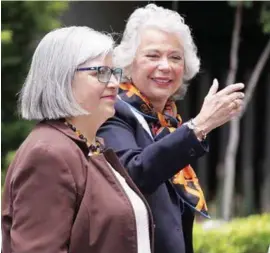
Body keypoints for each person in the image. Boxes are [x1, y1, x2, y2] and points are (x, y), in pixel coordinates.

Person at [98, 4, 245, 253]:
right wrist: (200, 125)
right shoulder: (113, 111)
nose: (165, 66)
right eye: (153, 56)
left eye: (175, 57)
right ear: (129, 62)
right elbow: (133, 174)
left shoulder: (167, 120)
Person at [1, 26, 153, 253]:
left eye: (114, 72)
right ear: (61, 78)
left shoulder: (89, 146)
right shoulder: (49, 153)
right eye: (100, 72)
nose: (113, 83)